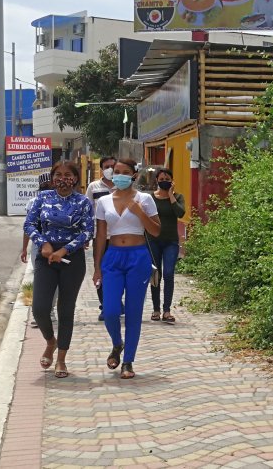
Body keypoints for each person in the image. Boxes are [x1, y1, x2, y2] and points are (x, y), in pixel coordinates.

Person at [22, 160, 93, 379]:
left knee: (65, 309)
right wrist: (43, 244)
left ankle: (61, 359)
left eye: (68, 175)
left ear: (76, 178)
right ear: (52, 178)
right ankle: (50, 342)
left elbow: (87, 232)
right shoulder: (42, 198)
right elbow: (29, 224)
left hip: (72, 260)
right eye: (58, 175)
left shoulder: (83, 202)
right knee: (40, 308)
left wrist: (64, 250)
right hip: (46, 258)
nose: (63, 179)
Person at [93, 159, 160, 379]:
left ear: (133, 175)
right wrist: (97, 267)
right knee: (110, 310)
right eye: (116, 172)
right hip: (112, 258)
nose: (119, 175)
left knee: (134, 312)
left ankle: (128, 361)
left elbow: (156, 231)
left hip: (138, 257)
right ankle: (117, 344)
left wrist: (140, 212)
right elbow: (101, 235)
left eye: (125, 172)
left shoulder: (145, 199)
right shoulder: (103, 201)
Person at [148, 169, 185, 323]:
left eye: (167, 178)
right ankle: (156, 309)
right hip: (153, 240)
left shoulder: (178, 197)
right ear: (157, 180)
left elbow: (180, 213)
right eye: (161, 178)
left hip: (171, 241)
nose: (164, 180)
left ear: (172, 180)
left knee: (169, 274)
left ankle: (167, 310)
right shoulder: (150, 198)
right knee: (156, 275)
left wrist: (170, 195)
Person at [86, 156, 116, 320]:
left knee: (116, 272)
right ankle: (105, 305)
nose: (110, 169)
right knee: (100, 270)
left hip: (119, 237)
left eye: (113, 166)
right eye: (107, 166)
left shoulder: (123, 186)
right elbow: (87, 211)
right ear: (102, 168)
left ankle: (115, 302)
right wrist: (88, 235)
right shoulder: (94, 187)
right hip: (100, 237)